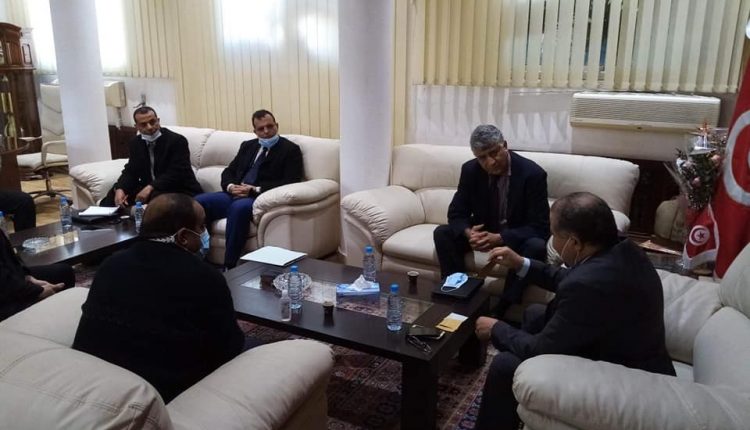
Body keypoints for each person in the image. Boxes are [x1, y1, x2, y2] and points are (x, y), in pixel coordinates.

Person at [473, 192, 675, 430]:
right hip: (622, 343)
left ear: (575, 243)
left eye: (554, 234)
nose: (551, 240)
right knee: (535, 313)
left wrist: (496, 328)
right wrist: (520, 263)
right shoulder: (621, 249)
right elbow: (570, 278)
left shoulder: (589, 284)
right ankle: (518, 405)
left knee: (505, 365)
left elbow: (541, 348)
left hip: (623, 372)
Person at [73, 193, 246, 402]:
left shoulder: (110, 264)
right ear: (183, 236)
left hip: (94, 382)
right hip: (163, 393)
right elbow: (229, 346)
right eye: (201, 227)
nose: (204, 233)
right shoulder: (205, 277)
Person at [433, 124, 549, 313]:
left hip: (516, 236)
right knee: (443, 233)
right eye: (482, 157)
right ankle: (457, 294)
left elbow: (540, 226)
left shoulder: (532, 174)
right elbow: (456, 213)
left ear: (505, 146)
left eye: (494, 153)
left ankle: (502, 309)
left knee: (536, 246)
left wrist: (501, 238)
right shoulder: (470, 170)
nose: (490, 162)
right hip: (485, 230)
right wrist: (469, 233)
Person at [196, 109, 303, 268]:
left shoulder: (290, 150)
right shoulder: (248, 146)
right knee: (198, 202)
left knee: (238, 209)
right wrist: (231, 186)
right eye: (261, 128)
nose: (266, 131)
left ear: (277, 125)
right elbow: (229, 171)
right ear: (255, 131)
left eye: (270, 126)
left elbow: (290, 181)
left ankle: (230, 265)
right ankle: (198, 257)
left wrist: (255, 189)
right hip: (234, 193)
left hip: (257, 196)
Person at [100, 106, 202, 207]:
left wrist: (150, 187)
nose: (149, 127)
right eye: (143, 124)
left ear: (158, 121)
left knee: (156, 197)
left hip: (178, 188)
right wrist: (120, 188)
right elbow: (131, 171)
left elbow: (177, 172)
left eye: (152, 122)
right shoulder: (135, 143)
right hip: (151, 187)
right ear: (137, 127)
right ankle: (109, 217)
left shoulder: (176, 141)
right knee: (113, 194)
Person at [0, 226, 74, 321]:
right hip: (4, 299)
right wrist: (38, 292)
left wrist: (28, 277)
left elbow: (8, 258)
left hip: (12, 280)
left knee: (64, 272)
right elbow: (4, 283)